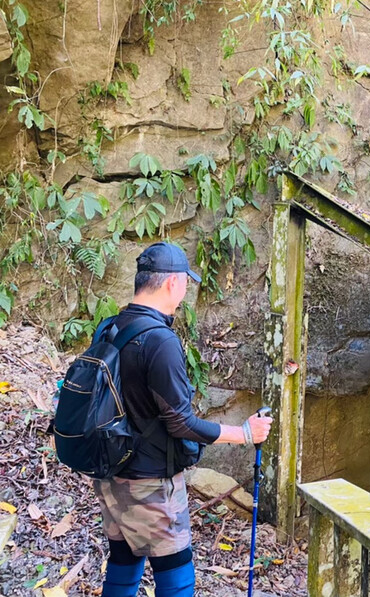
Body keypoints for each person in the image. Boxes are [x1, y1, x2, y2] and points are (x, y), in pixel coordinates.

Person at [93, 242, 272, 597]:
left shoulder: (109, 328)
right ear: (173, 283)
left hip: (111, 475)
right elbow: (181, 423)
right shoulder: (160, 341)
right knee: (176, 579)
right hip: (150, 486)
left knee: (123, 565)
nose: (185, 291)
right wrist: (245, 433)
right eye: (186, 284)